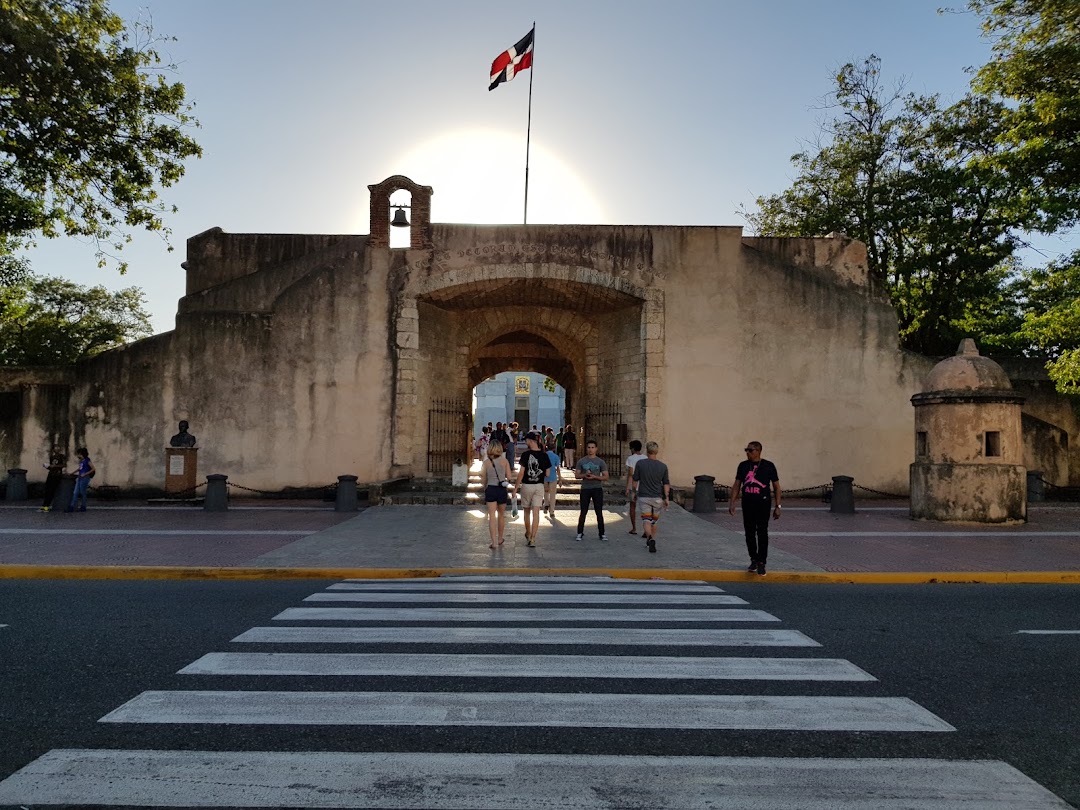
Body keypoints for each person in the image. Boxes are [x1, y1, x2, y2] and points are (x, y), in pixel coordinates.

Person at [728, 440, 781, 576]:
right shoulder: (743, 466)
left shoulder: (768, 466)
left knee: (762, 531)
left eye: (750, 450)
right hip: (748, 503)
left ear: (758, 451)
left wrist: (778, 506)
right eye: (746, 450)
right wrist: (732, 502)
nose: (747, 453)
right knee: (749, 532)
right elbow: (737, 484)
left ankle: (762, 561)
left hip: (763, 503)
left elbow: (776, 487)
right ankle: (753, 558)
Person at [513, 431, 552, 547]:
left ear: (529, 441)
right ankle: (533, 539)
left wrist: (515, 488)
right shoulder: (545, 455)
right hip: (539, 486)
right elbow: (548, 473)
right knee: (536, 513)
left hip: (527, 485)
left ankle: (528, 533)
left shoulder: (526, 455)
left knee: (526, 512)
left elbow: (521, 473)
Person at [633, 441, 670, 553]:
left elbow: (635, 480)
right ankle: (652, 539)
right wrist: (667, 498)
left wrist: (634, 493)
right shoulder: (663, 466)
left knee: (646, 519)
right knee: (654, 521)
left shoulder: (640, 463)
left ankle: (649, 538)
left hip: (644, 496)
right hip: (657, 497)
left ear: (647, 450)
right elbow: (666, 483)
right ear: (657, 451)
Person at [574, 439, 608, 541]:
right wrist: (585, 475)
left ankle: (602, 533)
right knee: (583, 511)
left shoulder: (600, 462)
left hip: (597, 488)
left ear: (596, 449)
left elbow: (606, 476)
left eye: (592, 447)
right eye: (589, 447)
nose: (590, 449)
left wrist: (595, 476)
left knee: (599, 511)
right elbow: (577, 475)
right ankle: (580, 532)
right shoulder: (581, 461)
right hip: (585, 488)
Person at [481, 440, 513, 549]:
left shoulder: (486, 462)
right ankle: (500, 538)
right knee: (501, 515)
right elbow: (509, 477)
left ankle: (493, 542)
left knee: (491, 516)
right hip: (501, 489)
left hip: (491, 488)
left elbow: (483, 477)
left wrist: (485, 488)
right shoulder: (505, 461)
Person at [624, 440, 647, 535]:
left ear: (632, 448)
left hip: (634, 486)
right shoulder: (645, 458)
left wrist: (627, 487)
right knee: (645, 509)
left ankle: (634, 528)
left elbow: (630, 474)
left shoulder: (631, 459)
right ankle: (646, 529)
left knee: (632, 506)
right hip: (644, 486)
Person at [66, 447, 95, 512]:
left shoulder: (87, 460)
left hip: (85, 478)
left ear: (82, 454)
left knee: (82, 492)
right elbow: (79, 469)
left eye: (79, 454)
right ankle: (71, 507)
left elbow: (93, 468)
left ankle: (83, 506)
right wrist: (72, 473)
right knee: (75, 492)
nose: (78, 455)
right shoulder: (82, 461)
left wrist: (85, 474)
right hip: (79, 478)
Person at [40, 444, 66, 512]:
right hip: (51, 474)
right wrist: (47, 466)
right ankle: (44, 505)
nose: (56, 449)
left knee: (51, 490)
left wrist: (54, 466)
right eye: (55, 447)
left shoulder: (61, 456)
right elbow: (51, 467)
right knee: (47, 490)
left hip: (57, 475)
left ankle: (47, 506)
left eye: (58, 447)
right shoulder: (52, 457)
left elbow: (63, 465)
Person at [544, 441, 561, 519]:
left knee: (545, 492)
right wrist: (560, 478)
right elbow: (557, 468)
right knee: (553, 495)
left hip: (544, 477)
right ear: (554, 448)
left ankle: (546, 504)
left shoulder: (544, 455)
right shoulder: (556, 456)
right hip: (553, 477)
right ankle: (551, 511)